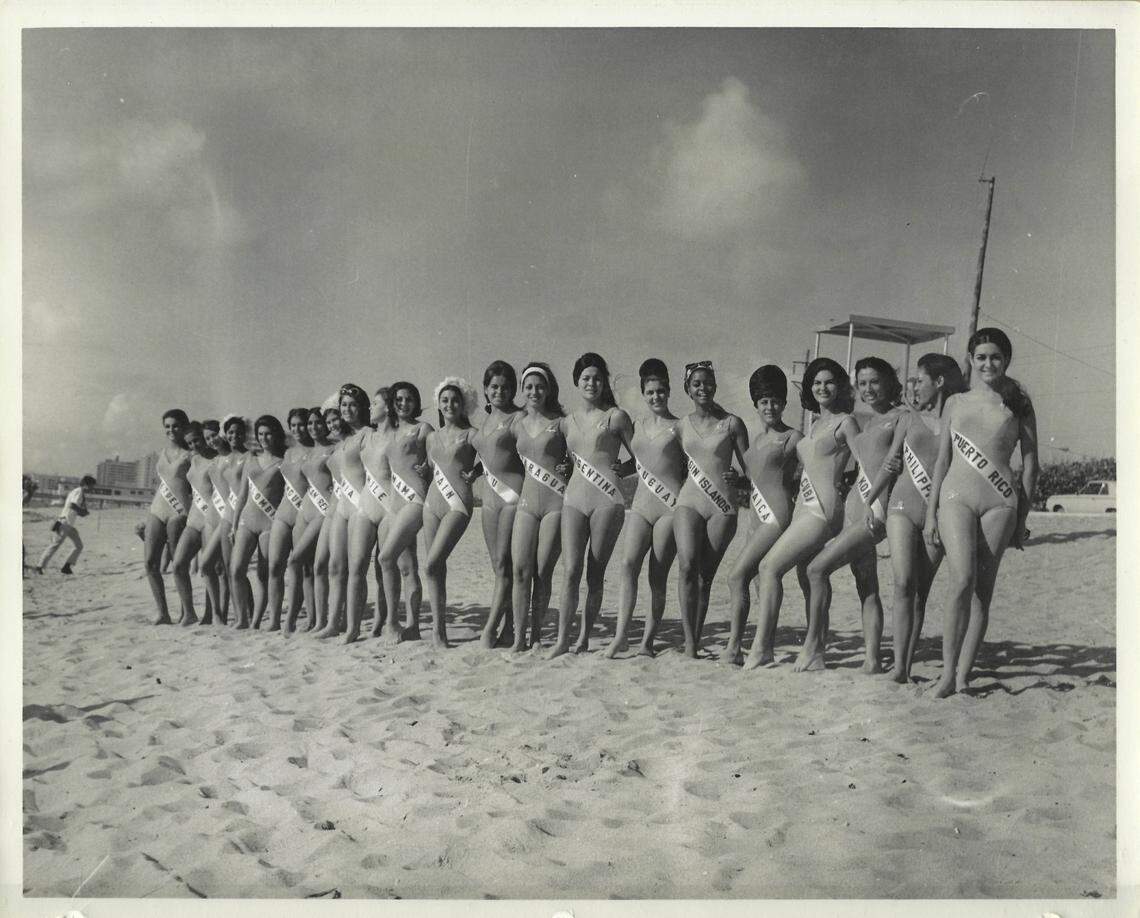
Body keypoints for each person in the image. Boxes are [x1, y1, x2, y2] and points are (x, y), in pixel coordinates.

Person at [925, 328, 1038, 697]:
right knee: (961, 579)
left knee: (982, 593)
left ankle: (962, 676)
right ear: (971, 360)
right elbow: (942, 460)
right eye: (981, 357)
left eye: (995, 357)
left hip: (1000, 501)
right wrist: (930, 514)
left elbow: (1031, 463)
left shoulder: (1019, 404)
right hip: (955, 495)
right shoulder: (955, 402)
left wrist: (1022, 518)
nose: (988, 363)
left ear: (1005, 360)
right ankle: (945, 674)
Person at [785, 357, 908, 674]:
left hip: (873, 509)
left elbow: (902, 462)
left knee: (816, 569)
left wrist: (885, 493)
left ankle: (814, 648)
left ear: (889, 382)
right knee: (866, 584)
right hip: (855, 507)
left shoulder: (901, 418)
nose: (868, 389)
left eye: (875, 382)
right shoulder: (868, 422)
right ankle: (872, 660)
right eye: (863, 383)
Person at [742, 358, 859, 670]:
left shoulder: (846, 422)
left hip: (822, 510)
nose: (822, 387)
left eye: (829, 382)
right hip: (802, 509)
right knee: (809, 576)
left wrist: (857, 498)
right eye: (816, 383)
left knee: (768, 567)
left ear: (840, 386)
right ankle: (815, 649)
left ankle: (763, 647)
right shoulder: (816, 424)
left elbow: (864, 465)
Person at [865, 354, 967, 683]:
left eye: (919, 380)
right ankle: (897, 667)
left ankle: (906, 666)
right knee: (903, 582)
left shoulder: (957, 419)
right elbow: (892, 461)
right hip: (901, 507)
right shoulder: (909, 419)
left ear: (938, 382)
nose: (914, 387)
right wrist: (870, 498)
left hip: (939, 512)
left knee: (921, 590)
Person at [547, 353, 633, 659]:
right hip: (573, 500)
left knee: (595, 574)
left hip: (607, 502)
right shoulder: (565, 423)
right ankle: (562, 641)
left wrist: (628, 467)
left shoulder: (616, 417)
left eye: (597, 378)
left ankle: (583, 637)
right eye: (586, 378)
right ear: (576, 382)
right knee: (570, 570)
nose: (592, 383)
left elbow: (641, 456)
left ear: (604, 382)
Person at [720, 366, 804, 665]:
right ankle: (763, 645)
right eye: (764, 401)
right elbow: (756, 479)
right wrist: (737, 480)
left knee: (735, 576)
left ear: (784, 402)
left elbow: (811, 472)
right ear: (755, 404)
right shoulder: (754, 441)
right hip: (754, 516)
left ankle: (734, 647)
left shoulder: (793, 437)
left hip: (777, 515)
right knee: (756, 581)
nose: (770, 407)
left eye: (776, 400)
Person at [604, 358, 684, 659]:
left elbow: (695, 465)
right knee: (627, 565)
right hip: (640, 504)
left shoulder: (679, 427)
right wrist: (621, 468)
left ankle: (647, 642)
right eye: (650, 392)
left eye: (661, 391)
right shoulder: (637, 426)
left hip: (669, 507)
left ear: (669, 391)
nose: (656, 397)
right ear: (643, 393)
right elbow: (638, 462)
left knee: (657, 575)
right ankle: (621, 636)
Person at [673, 361, 749, 658]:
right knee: (686, 566)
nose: (702, 388)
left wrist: (740, 479)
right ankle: (690, 644)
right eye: (696, 384)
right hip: (689, 502)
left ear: (715, 386)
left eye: (707, 383)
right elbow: (672, 467)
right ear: (688, 389)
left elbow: (750, 469)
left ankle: (697, 636)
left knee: (705, 576)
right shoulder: (680, 425)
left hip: (723, 506)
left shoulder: (732, 423)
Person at [508, 362, 569, 651]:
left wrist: (568, 467)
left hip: (556, 504)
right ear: (522, 389)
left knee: (542, 571)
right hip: (526, 504)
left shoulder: (561, 423)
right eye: (529, 386)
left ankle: (536, 635)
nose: (535, 391)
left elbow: (582, 457)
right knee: (520, 570)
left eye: (540, 386)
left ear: (549, 389)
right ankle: (519, 636)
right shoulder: (516, 424)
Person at [421, 377, 480, 647]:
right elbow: (426, 466)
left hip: (458, 503)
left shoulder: (472, 434)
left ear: (463, 404)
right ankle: (438, 630)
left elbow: (492, 458)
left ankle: (438, 630)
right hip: (431, 504)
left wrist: (476, 471)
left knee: (431, 564)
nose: (449, 404)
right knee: (437, 568)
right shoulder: (431, 436)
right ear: (438, 403)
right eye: (444, 400)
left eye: (455, 400)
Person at [376, 381, 434, 643]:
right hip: (394, 504)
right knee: (407, 566)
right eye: (398, 399)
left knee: (385, 558)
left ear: (416, 402)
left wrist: (428, 470)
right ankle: (414, 626)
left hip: (416, 501)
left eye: (409, 399)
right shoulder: (387, 433)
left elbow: (439, 461)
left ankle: (392, 622)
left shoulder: (423, 429)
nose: (403, 404)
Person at [472, 361, 524, 648]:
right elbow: (490, 455)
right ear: (485, 389)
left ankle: (490, 629)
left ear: (513, 389)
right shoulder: (485, 421)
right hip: (489, 498)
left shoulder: (520, 418)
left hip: (512, 497)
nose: (499, 391)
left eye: (505, 387)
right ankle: (509, 627)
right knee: (497, 565)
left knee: (505, 563)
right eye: (494, 387)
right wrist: (475, 471)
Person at [318, 385, 372, 639]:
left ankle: (353, 627)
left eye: (352, 404)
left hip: (362, 506)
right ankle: (332, 623)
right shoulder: (343, 440)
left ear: (361, 407)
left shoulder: (368, 435)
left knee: (356, 569)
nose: (347, 409)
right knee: (335, 566)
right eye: (343, 405)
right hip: (341, 507)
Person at [230, 415, 286, 629]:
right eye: (260, 434)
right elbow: (242, 496)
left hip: (270, 523)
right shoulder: (250, 460)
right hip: (246, 521)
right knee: (236, 570)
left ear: (276, 434)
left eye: (268, 433)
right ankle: (242, 618)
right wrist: (234, 525)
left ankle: (257, 620)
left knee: (265, 574)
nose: (264, 438)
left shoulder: (283, 462)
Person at [285, 407, 338, 633]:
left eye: (318, 423)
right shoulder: (306, 452)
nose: (313, 427)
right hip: (303, 513)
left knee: (297, 561)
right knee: (306, 567)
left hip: (322, 512)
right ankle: (313, 619)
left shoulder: (334, 448)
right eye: (310, 424)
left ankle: (300, 619)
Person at [264, 408, 314, 631]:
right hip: (283, 515)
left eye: (301, 424)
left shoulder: (321, 451)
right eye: (292, 425)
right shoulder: (287, 453)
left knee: (302, 569)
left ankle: (293, 619)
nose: (297, 429)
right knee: (275, 566)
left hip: (304, 516)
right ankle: (274, 618)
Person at [144, 409, 193, 625]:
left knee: (178, 563)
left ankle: (187, 611)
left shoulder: (191, 454)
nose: (171, 430)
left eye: (175, 426)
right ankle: (163, 612)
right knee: (149, 562)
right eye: (167, 427)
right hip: (158, 508)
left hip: (179, 510)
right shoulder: (162, 452)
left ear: (184, 427)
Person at [170, 422, 220, 625]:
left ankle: (212, 613)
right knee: (179, 565)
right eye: (190, 443)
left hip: (211, 520)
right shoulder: (191, 459)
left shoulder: (217, 460)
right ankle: (189, 612)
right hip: (193, 520)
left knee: (210, 568)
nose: (194, 446)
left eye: (197, 440)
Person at [34, 474, 96, 575]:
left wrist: (82, 513)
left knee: (79, 546)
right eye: (92, 486)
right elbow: (73, 505)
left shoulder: (78, 492)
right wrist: (82, 512)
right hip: (65, 523)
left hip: (68, 524)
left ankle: (67, 567)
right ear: (86, 484)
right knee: (55, 545)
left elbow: (73, 507)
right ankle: (39, 566)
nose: (92, 488)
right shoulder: (78, 491)